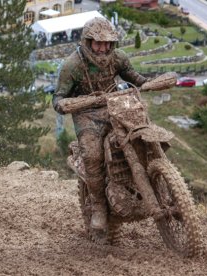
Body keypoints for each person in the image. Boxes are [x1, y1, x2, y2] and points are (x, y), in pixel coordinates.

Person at [52, 17, 147, 236]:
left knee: (142, 135)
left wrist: (149, 83)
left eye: (107, 43)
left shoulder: (118, 58)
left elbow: (134, 77)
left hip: (116, 107)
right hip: (87, 115)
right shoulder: (72, 65)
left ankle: (159, 179)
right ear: (87, 42)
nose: (103, 48)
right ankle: (99, 207)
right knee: (93, 156)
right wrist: (71, 104)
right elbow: (58, 99)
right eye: (98, 43)